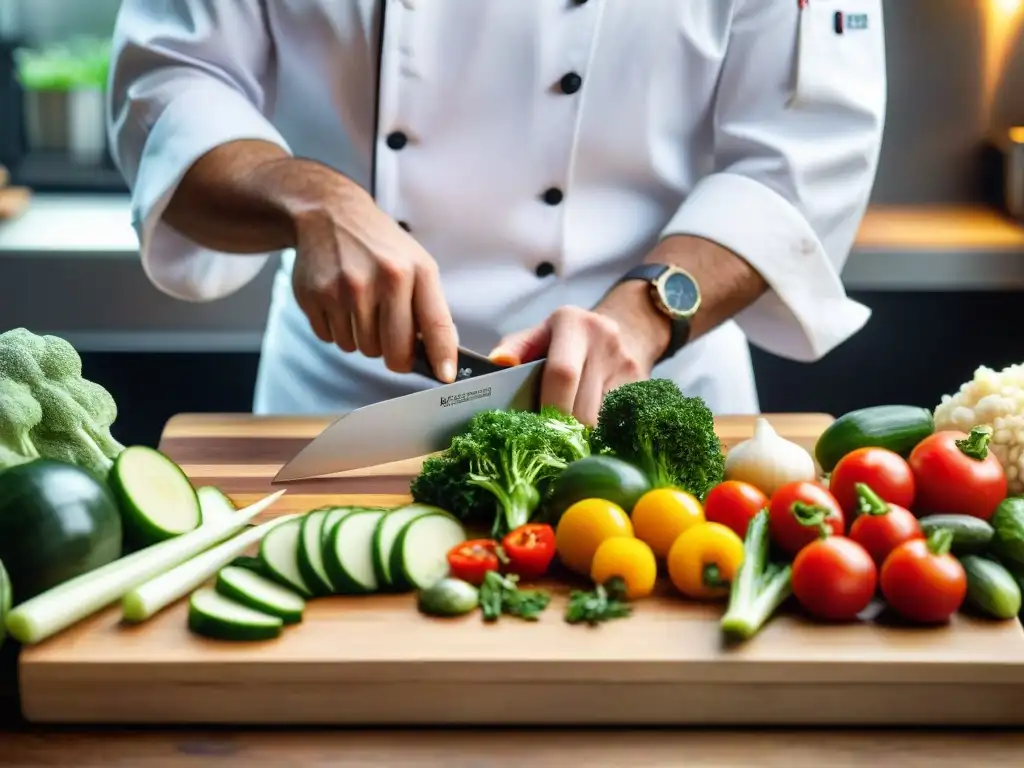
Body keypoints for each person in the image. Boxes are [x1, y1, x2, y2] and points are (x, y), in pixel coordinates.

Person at [106, 0, 886, 426]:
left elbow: (801, 150)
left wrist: (645, 316)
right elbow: (171, 84)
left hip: (648, 401)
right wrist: (313, 197)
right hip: (342, 404)